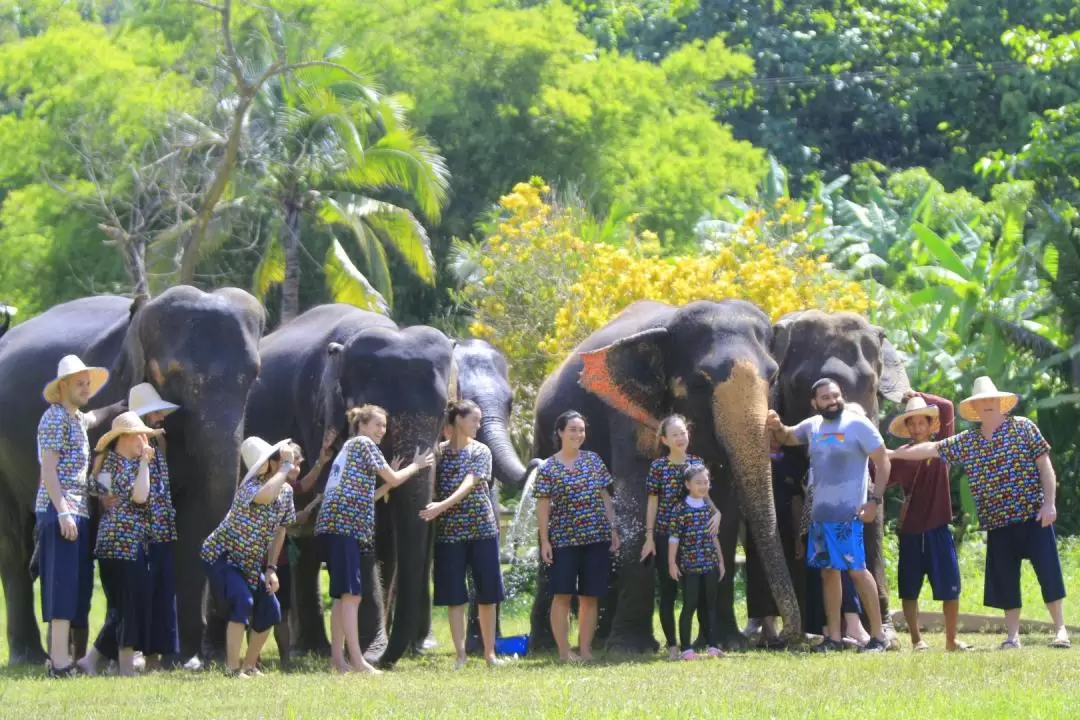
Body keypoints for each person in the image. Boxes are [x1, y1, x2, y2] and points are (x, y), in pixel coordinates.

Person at [889, 376, 1069, 650]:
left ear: (1000, 403)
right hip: (997, 521)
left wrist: (1050, 504)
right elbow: (932, 448)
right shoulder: (969, 440)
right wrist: (891, 454)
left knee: (1049, 574)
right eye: (980, 402)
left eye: (991, 401)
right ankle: (1012, 637)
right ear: (974, 409)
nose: (987, 405)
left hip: (1034, 515)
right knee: (1006, 580)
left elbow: (1046, 467)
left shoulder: (1024, 427)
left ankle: (1060, 631)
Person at [767, 379, 892, 653]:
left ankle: (879, 636)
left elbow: (883, 461)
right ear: (815, 403)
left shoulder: (858, 424)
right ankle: (833, 638)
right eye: (825, 397)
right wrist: (776, 425)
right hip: (820, 516)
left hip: (849, 514)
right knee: (828, 572)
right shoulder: (813, 426)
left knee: (857, 571)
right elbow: (788, 437)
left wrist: (875, 500)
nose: (832, 400)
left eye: (835, 395)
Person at [314, 404, 434, 674]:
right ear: (362, 425)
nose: (382, 430)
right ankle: (358, 662)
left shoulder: (349, 450)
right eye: (378, 425)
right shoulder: (365, 445)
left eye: (384, 426)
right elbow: (392, 475)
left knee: (341, 596)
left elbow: (368, 496)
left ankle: (339, 660)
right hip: (346, 527)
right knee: (352, 596)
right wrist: (416, 466)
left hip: (333, 526)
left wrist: (388, 484)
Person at [35, 354, 122, 677]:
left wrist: (120, 408)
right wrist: (63, 512)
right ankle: (58, 663)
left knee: (73, 585)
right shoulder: (55, 418)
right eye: (79, 384)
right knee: (60, 585)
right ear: (63, 386)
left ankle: (64, 658)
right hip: (60, 510)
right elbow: (49, 471)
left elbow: (95, 417)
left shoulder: (75, 419)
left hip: (77, 509)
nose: (86, 389)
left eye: (88, 384)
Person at [200, 437, 297, 677]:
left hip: (249, 563)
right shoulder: (250, 488)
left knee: (271, 609)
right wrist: (285, 468)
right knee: (243, 602)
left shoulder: (286, 492)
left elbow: (281, 529)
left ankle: (249, 666)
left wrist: (272, 568)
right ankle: (233, 670)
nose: (289, 465)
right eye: (281, 460)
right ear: (268, 465)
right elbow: (265, 497)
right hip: (222, 556)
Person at [420, 400, 505, 669]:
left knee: (487, 594)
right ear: (458, 420)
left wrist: (440, 507)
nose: (478, 426)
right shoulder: (439, 453)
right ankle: (460, 656)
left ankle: (489, 654)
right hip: (449, 534)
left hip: (482, 529)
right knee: (454, 596)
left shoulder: (481, 451)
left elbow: (470, 482)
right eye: (474, 420)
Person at [75, 412, 160, 676]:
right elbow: (140, 496)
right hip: (121, 545)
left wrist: (104, 497)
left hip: (120, 545)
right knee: (127, 604)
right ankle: (125, 668)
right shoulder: (119, 464)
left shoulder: (113, 465)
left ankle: (90, 660)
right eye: (140, 435)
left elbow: (94, 487)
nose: (145, 441)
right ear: (125, 438)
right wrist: (145, 463)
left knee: (122, 605)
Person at [887, 391, 971, 652]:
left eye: (921, 422)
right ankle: (916, 640)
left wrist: (916, 394)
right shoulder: (900, 455)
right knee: (909, 589)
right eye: (911, 423)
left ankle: (951, 640)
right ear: (907, 427)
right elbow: (878, 474)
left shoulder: (942, 446)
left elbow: (946, 406)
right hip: (911, 530)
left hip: (938, 529)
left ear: (930, 425)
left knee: (950, 587)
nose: (916, 427)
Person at [535, 411, 619, 662]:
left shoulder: (594, 461)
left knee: (590, 597)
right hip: (562, 541)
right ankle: (564, 652)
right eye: (572, 429)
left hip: (596, 538)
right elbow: (542, 506)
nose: (578, 434)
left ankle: (585, 650)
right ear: (560, 432)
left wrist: (613, 528)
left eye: (581, 430)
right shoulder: (548, 467)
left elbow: (605, 497)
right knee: (562, 596)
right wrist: (545, 540)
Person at [639, 414, 719, 659]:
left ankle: (701, 642)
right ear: (664, 439)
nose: (680, 438)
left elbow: (704, 494)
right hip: (666, 535)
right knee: (668, 590)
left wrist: (717, 513)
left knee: (698, 593)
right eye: (675, 434)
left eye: (683, 432)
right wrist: (650, 537)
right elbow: (652, 503)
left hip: (695, 538)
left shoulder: (695, 461)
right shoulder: (658, 467)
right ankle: (673, 645)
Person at [668, 465, 726, 660]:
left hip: (710, 564)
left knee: (709, 605)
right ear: (687, 484)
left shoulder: (710, 509)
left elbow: (714, 537)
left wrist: (721, 561)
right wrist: (671, 563)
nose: (703, 486)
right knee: (690, 603)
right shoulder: (680, 509)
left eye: (706, 482)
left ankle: (712, 645)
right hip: (690, 566)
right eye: (698, 482)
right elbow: (674, 538)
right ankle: (686, 649)